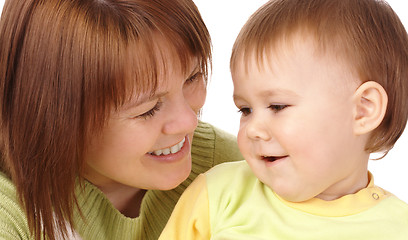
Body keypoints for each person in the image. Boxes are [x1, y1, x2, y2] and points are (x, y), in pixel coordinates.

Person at [159, 0, 408, 239]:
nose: (253, 129)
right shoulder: (218, 194)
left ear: (364, 110)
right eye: (245, 110)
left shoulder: (399, 227)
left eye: (277, 106)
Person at [0, 0, 243, 239]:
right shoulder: (10, 213)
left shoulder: (239, 169)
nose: (189, 122)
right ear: (52, 117)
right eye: (147, 109)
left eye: (192, 77)